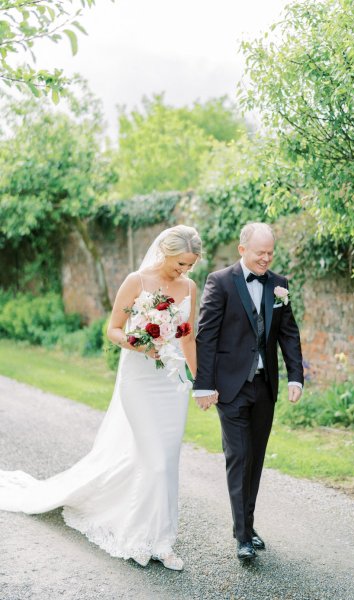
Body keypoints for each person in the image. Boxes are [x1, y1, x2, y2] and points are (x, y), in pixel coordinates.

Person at [0, 225, 201, 571]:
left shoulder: (189, 287)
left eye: (190, 265)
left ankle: (163, 541)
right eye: (180, 263)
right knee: (154, 460)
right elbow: (113, 329)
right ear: (166, 252)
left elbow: (188, 338)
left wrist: (200, 382)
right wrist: (136, 343)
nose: (184, 271)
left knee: (165, 462)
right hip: (138, 378)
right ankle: (141, 538)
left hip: (172, 383)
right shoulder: (136, 281)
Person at [193, 222, 303, 561]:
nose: (266, 259)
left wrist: (295, 377)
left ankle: (246, 525)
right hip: (230, 388)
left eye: (270, 253)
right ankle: (242, 535)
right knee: (239, 456)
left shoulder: (279, 285)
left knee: (254, 459)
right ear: (243, 250)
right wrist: (204, 385)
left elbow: (288, 334)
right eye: (260, 253)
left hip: (264, 386)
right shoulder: (220, 282)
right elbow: (206, 336)